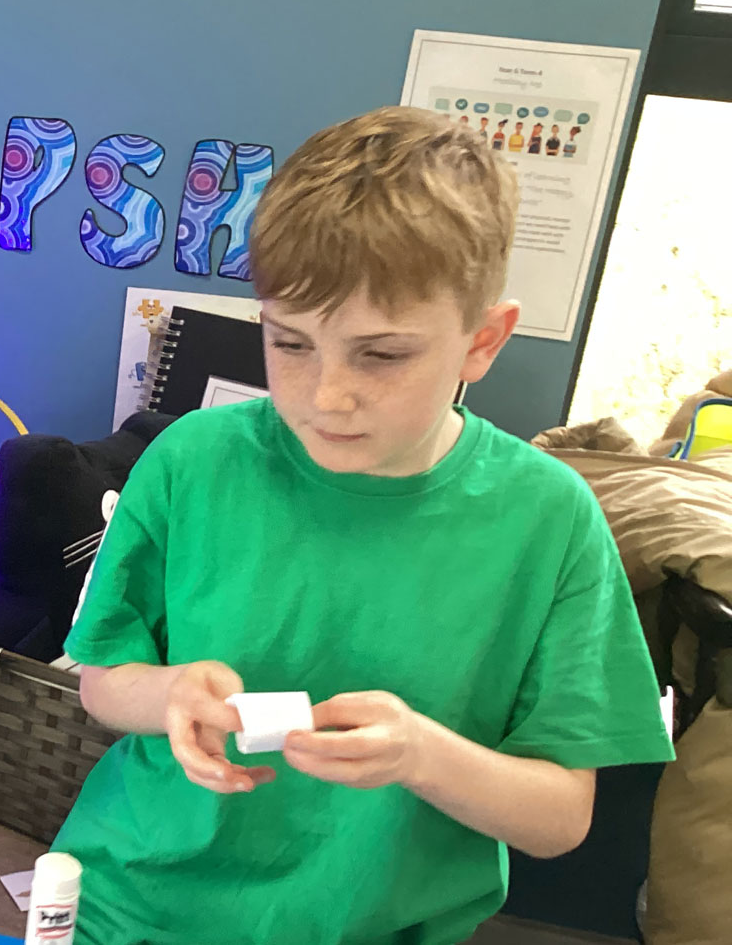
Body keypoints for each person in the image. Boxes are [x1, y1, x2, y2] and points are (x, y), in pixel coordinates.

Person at [52, 106, 672, 945]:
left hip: (373, 925)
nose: (326, 395)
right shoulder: (191, 460)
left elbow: (560, 817)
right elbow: (101, 681)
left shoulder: (550, 520)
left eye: (381, 354)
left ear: (483, 341)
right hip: (135, 905)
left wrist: (422, 754)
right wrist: (170, 695)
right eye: (290, 343)